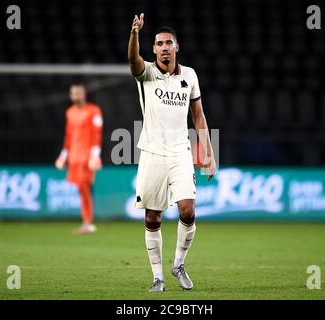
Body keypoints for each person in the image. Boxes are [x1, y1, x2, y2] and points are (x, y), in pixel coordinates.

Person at [128, 13, 217, 292]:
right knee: (152, 217)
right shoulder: (147, 73)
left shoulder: (189, 75)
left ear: (176, 47)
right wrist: (134, 34)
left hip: (180, 152)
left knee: (188, 211)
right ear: (153, 49)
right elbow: (133, 61)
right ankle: (158, 277)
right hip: (152, 153)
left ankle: (178, 264)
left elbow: (198, 115)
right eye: (159, 44)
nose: (164, 47)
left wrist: (208, 152)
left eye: (169, 43)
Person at [55, 84, 103, 234]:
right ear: (70, 96)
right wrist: (63, 156)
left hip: (87, 156)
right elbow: (68, 136)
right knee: (81, 188)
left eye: (79, 93)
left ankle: (88, 222)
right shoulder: (70, 112)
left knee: (84, 186)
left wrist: (95, 156)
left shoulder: (93, 111)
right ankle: (87, 221)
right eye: (74, 93)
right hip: (74, 156)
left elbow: (97, 134)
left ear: (84, 95)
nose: (77, 96)